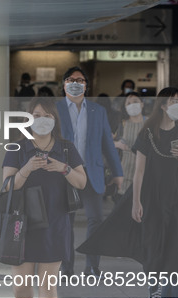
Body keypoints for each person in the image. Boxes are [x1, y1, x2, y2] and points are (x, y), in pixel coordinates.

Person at [79, 87, 178, 298]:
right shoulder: (148, 135)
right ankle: (154, 285)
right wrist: (136, 202)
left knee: (175, 251)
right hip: (153, 200)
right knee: (154, 246)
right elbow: (139, 172)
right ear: (163, 106)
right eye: (173, 101)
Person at [3, 97, 87, 298]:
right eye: (37, 115)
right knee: (21, 287)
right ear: (29, 118)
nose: (42, 120)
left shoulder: (66, 148)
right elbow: (6, 186)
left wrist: (63, 169)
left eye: (48, 116)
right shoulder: (17, 149)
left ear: (55, 120)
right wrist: (26, 169)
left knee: (48, 283)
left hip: (55, 222)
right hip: (23, 224)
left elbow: (82, 182)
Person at [56, 66, 123, 278]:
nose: (76, 83)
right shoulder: (55, 109)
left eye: (80, 80)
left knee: (96, 219)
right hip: (65, 173)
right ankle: (66, 267)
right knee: (65, 222)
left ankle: (92, 266)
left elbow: (107, 145)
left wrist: (117, 172)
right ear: (64, 84)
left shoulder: (97, 111)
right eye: (71, 79)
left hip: (91, 173)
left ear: (86, 85)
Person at [113, 92, 146, 197]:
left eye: (135, 102)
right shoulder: (122, 124)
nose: (132, 105)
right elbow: (109, 143)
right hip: (125, 172)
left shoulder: (150, 123)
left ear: (142, 104)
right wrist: (117, 144)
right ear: (125, 107)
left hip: (146, 173)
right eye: (129, 103)